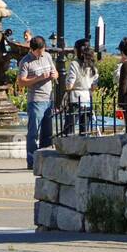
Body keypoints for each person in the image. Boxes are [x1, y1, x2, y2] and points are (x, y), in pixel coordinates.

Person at [17, 34, 57, 169]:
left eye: (43, 49)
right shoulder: (26, 62)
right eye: (40, 50)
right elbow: (21, 82)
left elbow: (56, 72)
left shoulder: (47, 56)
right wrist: (38, 78)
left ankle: (45, 160)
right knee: (33, 132)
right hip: (35, 100)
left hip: (49, 99)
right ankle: (32, 161)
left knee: (47, 132)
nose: (42, 52)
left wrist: (54, 75)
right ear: (33, 50)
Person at [63, 39, 98, 135]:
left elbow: (69, 85)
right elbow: (94, 85)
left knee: (69, 128)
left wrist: (67, 87)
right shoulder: (92, 65)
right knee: (85, 129)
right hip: (87, 98)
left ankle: (69, 148)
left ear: (77, 50)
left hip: (75, 98)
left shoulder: (75, 64)